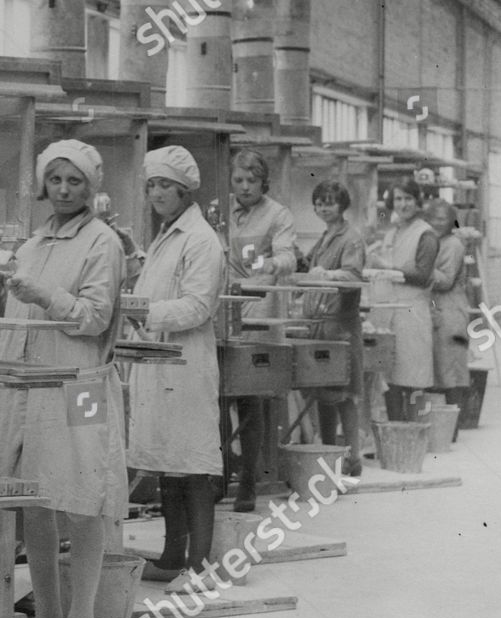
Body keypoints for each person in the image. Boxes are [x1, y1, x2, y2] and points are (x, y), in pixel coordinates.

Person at [0, 140, 126, 618]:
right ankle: (46, 615)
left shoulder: (101, 242)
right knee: (34, 499)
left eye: (74, 182)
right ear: (42, 183)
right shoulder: (31, 243)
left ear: (91, 187)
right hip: (31, 384)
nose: (63, 190)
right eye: (55, 180)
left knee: (81, 497)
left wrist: (43, 295)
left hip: (80, 385)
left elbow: (94, 318)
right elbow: (12, 317)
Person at [127, 147, 225, 589]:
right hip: (160, 361)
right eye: (151, 184)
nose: (157, 192)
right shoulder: (167, 235)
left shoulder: (201, 239)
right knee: (168, 461)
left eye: (165, 184)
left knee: (194, 464)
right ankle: (171, 555)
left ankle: (200, 565)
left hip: (184, 363)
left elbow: (199, 306)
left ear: (184, 189)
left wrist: (143, 313)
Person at [227, 149, 296, 508]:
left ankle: (249, 483)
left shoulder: (277, 214)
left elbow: (289, 257)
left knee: (251, 400)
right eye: (238, 180)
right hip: (227, 308)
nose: (244, 187)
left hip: (259, 310)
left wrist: (269, 263)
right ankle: (225, 473)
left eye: (251, 181)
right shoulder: (224, 210)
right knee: (225, 398)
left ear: (263, 182)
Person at [300, 181, 367, 477]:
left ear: (342, 205)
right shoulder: (326, 236)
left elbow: (352, 276)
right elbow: (307, 266)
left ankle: (352, 459)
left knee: (344, 394)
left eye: (330, 202)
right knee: (324, 393)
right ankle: (330, 455)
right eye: (319, 202)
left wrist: (326, 274)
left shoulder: (350, 238)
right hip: (321, 325)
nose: (324, 207)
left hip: (340, 325)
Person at [366, 179, 437, 420]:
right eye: (398, 199)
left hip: (412, 313)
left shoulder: (425, 234)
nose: (403, 204)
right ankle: (396, 431)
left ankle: (416, 433)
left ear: (418, 202)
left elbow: (423, 274)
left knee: (414, 376)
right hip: (388, 313)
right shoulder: (393, 232)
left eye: (408, 198)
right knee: (389, 377)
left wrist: (387, 266)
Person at [425, 199, 472, 432]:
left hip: (451, 309)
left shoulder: (452, 244)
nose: (436, 222)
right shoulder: (436, 242)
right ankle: (444, 427)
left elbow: (445, 280)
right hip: (439, 308)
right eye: (432, 217)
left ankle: (452, 428)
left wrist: (420, 268)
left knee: (451, 370)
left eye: (442, 218)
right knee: (441, 369)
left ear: (451, 221)